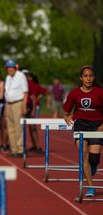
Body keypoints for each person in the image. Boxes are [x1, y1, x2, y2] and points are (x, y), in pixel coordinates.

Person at [63, 66, 103, 197]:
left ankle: (92, 166)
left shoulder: (99, 92)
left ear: (94, 77)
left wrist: (102, 125)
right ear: (81, 78)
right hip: (80, 125)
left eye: (91, 75)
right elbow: (66, 111)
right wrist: (66, 116)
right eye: (85, 76)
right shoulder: (74, 93)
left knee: (94, 158)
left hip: (96, 126)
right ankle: (91, 187)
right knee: (83, 154)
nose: (88, 78)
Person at [4, 60, 28, 157]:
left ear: (15, 68)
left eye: (12, 67)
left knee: (19, 127)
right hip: (9, 104)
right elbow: (7, 92)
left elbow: (25, 92)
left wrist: (24, 106)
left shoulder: (21, 76)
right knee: (10, 128)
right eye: (8, 68)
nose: (10, 69)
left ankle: (20, 150)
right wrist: (6, 107)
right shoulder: (8, 77)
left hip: (18, 103)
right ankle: (14, 149)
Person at [23, 70, 47, 154]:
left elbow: (35, 96)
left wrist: (37, 99)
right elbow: (44, 91)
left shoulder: (30, 84)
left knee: (32, 127)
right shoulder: (26, 84)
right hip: (29, 106)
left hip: (33, 107)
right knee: (30, 127)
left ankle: (37, 146)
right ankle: (35, 146)